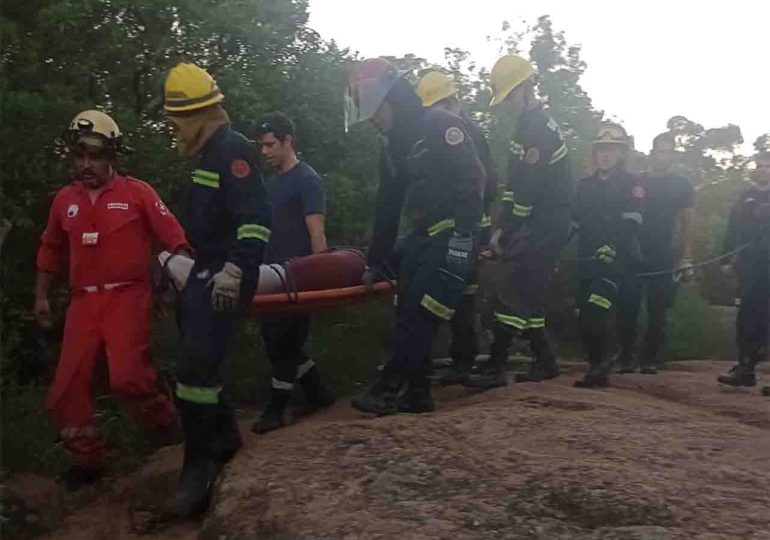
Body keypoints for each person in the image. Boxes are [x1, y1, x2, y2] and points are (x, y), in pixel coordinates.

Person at [34, 110, 190, 490]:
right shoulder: (63, 201)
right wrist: (40, 296)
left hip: (128, 297)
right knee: (68, 385)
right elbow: (50, 248)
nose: (86, 164)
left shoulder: (137, 193)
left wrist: (188, 281)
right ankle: (87, 460)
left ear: (111, 157)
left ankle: (165, 421)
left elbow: (175, 238)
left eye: (95, 156)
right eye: (80, 156)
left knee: (127, 377)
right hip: (82, 303)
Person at [345, 58, 485, 415]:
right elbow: (387, 205)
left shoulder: (437, 125)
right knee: (406, 310)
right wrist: (376, 260)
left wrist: (464, 238)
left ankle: (387, 388)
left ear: (393, 98)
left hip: (453, 235)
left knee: (422, 314)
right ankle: (418, 393)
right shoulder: (393, 146)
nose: (373, 118)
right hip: (423, 236)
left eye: (375, 109)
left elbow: (474, 181)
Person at [163, 63, 271, 515]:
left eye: (177, 120)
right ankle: (225, 437)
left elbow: (255, 221)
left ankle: (198, 471)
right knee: (191, 358)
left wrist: (235, 270)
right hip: (206, 270)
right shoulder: (208, 155)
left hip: (226, 275)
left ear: (199, 114)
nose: (174, 129)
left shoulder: (233, 150)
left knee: (193, 369)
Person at [464, 54, 573, 389]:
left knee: (513, 289)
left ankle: (496, 366)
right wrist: (502, 227)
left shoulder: (538, 130)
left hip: (545, 223)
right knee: (528, 292)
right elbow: (514, 189)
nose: (509, 102)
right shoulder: (526, 126)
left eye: (511, 94)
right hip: (537, 222)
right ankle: (546, 360)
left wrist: (506, 234)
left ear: (527, 87)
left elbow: (527, 195)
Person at [252, 112, 335, 434]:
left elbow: (317, 230)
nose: (265, 151)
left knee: (285, 342)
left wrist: (322, 274)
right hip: (270, 272)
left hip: (298, 275)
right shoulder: (273, 184)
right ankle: (318, 393)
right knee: (275, 343)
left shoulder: (307, 179)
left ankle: (276, 407)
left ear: (288, 141)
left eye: (271, 144)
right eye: (262, 145)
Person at [415, 70, 500, 384]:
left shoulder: (463, 131)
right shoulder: (457, 128)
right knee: (462, 295)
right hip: (468, 223)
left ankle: (465, 360)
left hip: (469, 225)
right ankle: (462, 359)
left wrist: (469, 228)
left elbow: (484, 182)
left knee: (458, 293)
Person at [572, 122, 645, 388]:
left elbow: (633, 221)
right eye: (602, 149)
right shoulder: (584, 186)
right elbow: (574, 222)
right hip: (586, 259)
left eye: (612, 150)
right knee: (583, 314)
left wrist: (613, 247)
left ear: (621, 154)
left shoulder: (631, 184)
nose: (606, 154)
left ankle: (604, 362)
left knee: (597, 308)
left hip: (616, 261)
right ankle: (595, 363)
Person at [617, 133, 695, 374]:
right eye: (661, 151)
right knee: (627, 305)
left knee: (657, 309)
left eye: (670, 152)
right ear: (653, 153)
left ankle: (650, 358)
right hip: (634, 252)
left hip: (664, 253)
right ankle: (626, 356)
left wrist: (686, 257)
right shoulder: (637, 182)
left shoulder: (682, 185)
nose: (665, 156)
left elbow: (688, 223)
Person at [717, 152, 770, 389]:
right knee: (747, 316)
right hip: (750, 266)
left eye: (767, 166)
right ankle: (745, 368)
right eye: (759, 166)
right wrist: (726, 260)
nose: (762, 170)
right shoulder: (745, 197)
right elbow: (733, 230)